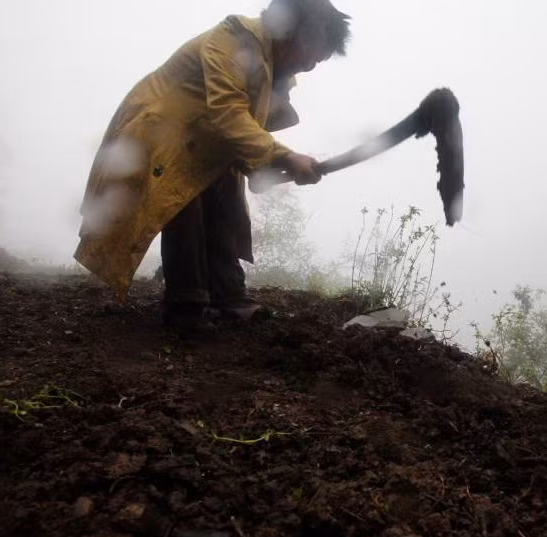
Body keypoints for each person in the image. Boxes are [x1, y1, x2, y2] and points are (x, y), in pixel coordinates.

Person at [73, 0, 351, 331]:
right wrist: (285, 157)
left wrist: (267, 166)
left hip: (203, 143)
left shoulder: (274, 69)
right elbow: (229, 114)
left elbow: (249, 130)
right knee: (183, 200)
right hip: (157, 136)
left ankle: (229, 297)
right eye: (311, 55)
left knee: (226, 202)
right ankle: (186, 308)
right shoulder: (230, 42)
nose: (310, 66)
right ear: (291, 33)